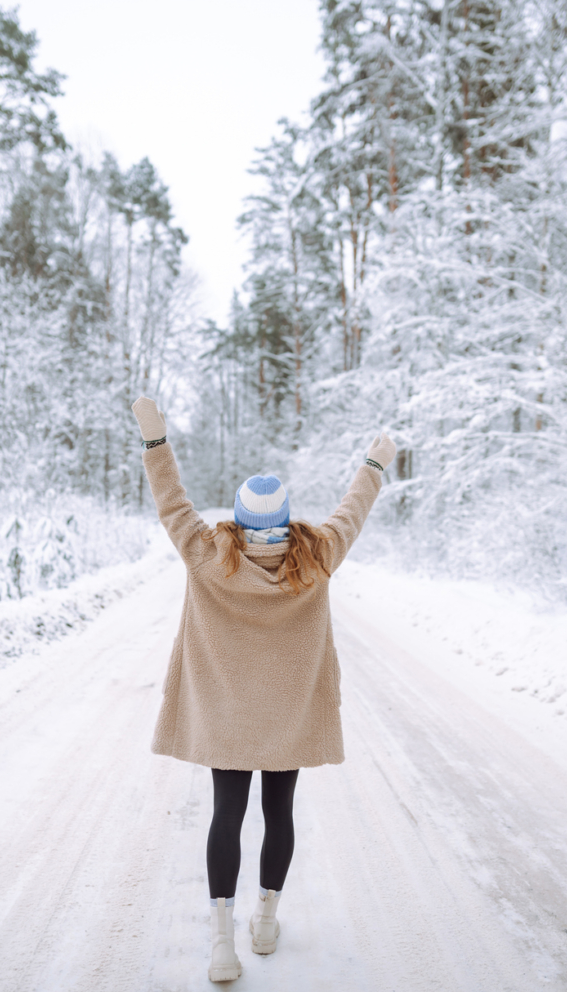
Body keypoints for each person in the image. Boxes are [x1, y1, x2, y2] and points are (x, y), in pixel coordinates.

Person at [132, 395, 396, 983]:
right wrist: (374, 466)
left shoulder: (207, 555)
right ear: (285, 516)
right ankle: (267, 922)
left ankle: (223, 944)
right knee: (280, 813)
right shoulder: (318, 556)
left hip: (227, 716)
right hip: (290, 716)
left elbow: (171, 503)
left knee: (227, 812)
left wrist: (155, 441)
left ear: (239, 517)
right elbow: (352, 511)